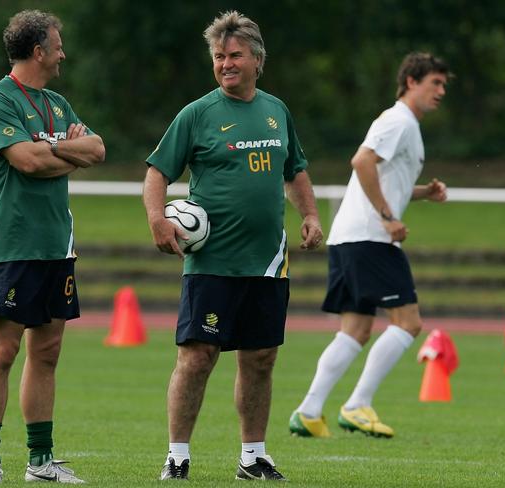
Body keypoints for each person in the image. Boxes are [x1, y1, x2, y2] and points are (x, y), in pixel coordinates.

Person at [143, 10, 323, 482]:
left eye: (235, 55)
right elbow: (158, 173)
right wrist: (158, 219)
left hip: (267, 261)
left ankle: (253, 456)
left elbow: (295, 170)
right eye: (219, 56)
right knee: (197, 356)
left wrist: (309, 215)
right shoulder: (198, 114)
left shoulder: (276, 110)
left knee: (261, 357)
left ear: (257, 60)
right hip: (212, 261)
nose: (225, 63)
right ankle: (177, 455)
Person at [0, 9, 105, 484]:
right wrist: (67, 153)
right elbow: (26, 161)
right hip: (14, 245)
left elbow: (98, 149)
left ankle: (40, 461)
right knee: (2, 352)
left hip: (57, 245)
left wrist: (60, 152)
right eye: (58, 44)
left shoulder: (57, 103)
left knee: (46, 352)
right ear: (38, 51)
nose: (63, 52)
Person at [289, 52, 451, 439]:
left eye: (444, 85)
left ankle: (309, 412)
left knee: (356, 329)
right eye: (436, 83)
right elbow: (361, 162)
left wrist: (423, 193)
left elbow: (383, 176)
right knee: (408, 323)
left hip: (352, 236)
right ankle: (358, 404)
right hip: (370, 237)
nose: (441, 91)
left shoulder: (405, 124)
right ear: (412, 81)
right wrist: (387, 216)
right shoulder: (398, 120)